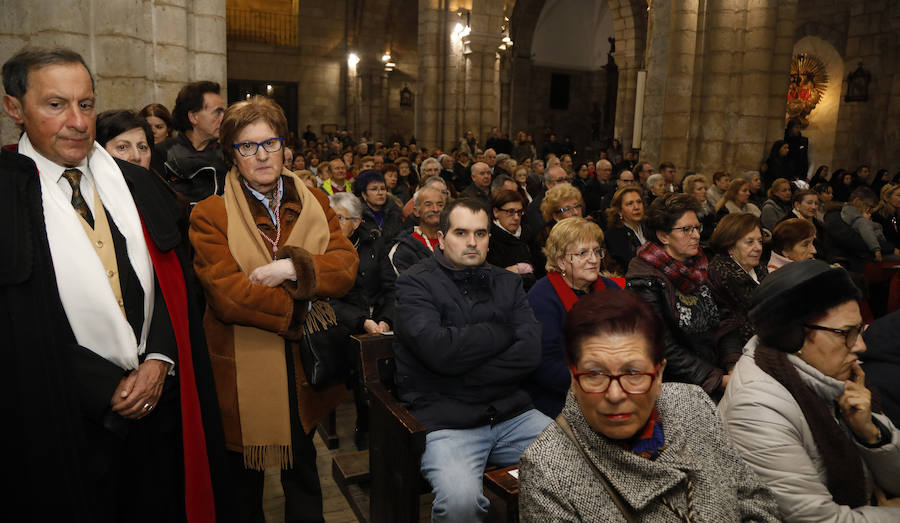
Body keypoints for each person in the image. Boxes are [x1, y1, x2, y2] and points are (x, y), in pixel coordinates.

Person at [1, 46, 230, 522]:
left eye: (86, 104)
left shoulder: (136, 184)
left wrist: (161, 359)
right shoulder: (6, 197)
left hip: (159, 408)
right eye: (55, 104)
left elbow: (176, 284)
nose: (77, 122)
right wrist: (105, 387)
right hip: (64, 418)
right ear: (14, 108)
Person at [189, 96, 358, 522]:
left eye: (270, 143)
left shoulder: (315, 202)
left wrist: (291, 266)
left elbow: (345, 267)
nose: (262, 155)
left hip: (303, 367)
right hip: (241, 364)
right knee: (244, 488)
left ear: (286, 147)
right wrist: (301, 307)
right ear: (231, 153)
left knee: (304, 475)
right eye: (247, 146)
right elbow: (228, 296)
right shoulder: (210, 215)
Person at [519, 290, 780, 522]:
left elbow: (753, 499)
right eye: (594, 375)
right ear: (573, 378)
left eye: (633, 373)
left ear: (659, 375)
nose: (615, 394)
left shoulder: (693, 404)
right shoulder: (547, 468)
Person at [393, 198, 551, 522]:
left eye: (481, 234)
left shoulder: (507, 282)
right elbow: (437, 351)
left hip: (512, 414)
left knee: (579, 462)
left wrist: (460, 367)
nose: (471, 242)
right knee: (460, 502)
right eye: (461, 233)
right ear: (441, 238)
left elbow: (530, 352)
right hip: (448, 421)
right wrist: (502, 333)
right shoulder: (415, 283)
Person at [719, 260, 900, 521]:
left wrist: (871, 435)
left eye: (859, 330)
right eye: (846, 333)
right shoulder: (755, 408)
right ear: (792, 336)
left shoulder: (837, 374)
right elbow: (818, 519)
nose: (860, 346)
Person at [627, 193, 738, 399]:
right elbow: (661, 345)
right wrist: (717, 379)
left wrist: (732, 364)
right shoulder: (644, 278)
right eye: (686, 229)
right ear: (663, 236)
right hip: (676, 387)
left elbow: (726, 319)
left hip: (717, 373)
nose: (696, 235)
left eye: (697, 228)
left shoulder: (701, 265)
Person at [526, 218, 621, 418]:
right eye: (582, 253)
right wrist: (596, 384)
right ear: (561, 261)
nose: (594, 260)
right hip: (562, 396)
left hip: (616, 382)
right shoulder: (542, 297)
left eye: (597, 251)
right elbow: (544, 365)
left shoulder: (611, 289)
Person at [328, 192, 396, 449]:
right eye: (329, 218)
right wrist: (362, 322)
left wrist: (386, 319)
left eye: (339, 218)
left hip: (378, 320)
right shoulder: (323, 247)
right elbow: (327, 301)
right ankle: (366, 424)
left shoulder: (374, 244)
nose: (332, 224)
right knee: (363, 360)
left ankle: (387, 424)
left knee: (391, 356)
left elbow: (391, 289)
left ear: (356, 223)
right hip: (342, 324)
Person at [157, 80, 227, 204]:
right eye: (217, 112)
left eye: (223, 112)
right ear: (194, 117)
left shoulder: (226, 154)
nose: (223, 118)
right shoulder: (162, 153)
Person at [708, 213, 768, 350]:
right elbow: (733, 326)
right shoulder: (723, 276)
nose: (758, 248)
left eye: (760, 241)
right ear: (730, 246)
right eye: (750, 241)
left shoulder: (759, 268)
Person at [389, 183, 446, 274]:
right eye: (428, 205)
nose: (435, 209)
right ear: (416, 211)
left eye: (440, 205)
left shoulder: (455, 240)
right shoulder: (404, 249)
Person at [532, 183, 585, 278]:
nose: (575, 212)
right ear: (555, 216)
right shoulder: (545, 238)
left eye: (577, 206)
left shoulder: (589, 231)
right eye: (567, 209)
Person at [488, 189, 535, 289]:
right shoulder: (490, 240)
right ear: (496, 212)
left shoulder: (528, 233)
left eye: (519, 212)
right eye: (510, 212)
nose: (516, 217)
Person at [353, 169, 404, 243]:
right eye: (374, 189)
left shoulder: (395, 211)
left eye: (383, 189)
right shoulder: (357, 214)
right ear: (364, 195)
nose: (380, 193)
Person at [604, 186, 646, 273]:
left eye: (639, 202)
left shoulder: (650, 228)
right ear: (619, 211)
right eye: (630, 204)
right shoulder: (613, 235)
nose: (636, 207)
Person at [682, 173, 716, 243]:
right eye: (699, 189)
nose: (704, 191)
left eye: (705, 188)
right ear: (690, 192)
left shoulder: (709, 206)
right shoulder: (687, 210)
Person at [873, 183, 900, 250]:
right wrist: (892, 249)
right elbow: (879, 241)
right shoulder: (878, 216)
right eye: (899, 195)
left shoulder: (895, 213)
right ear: (886, 198)